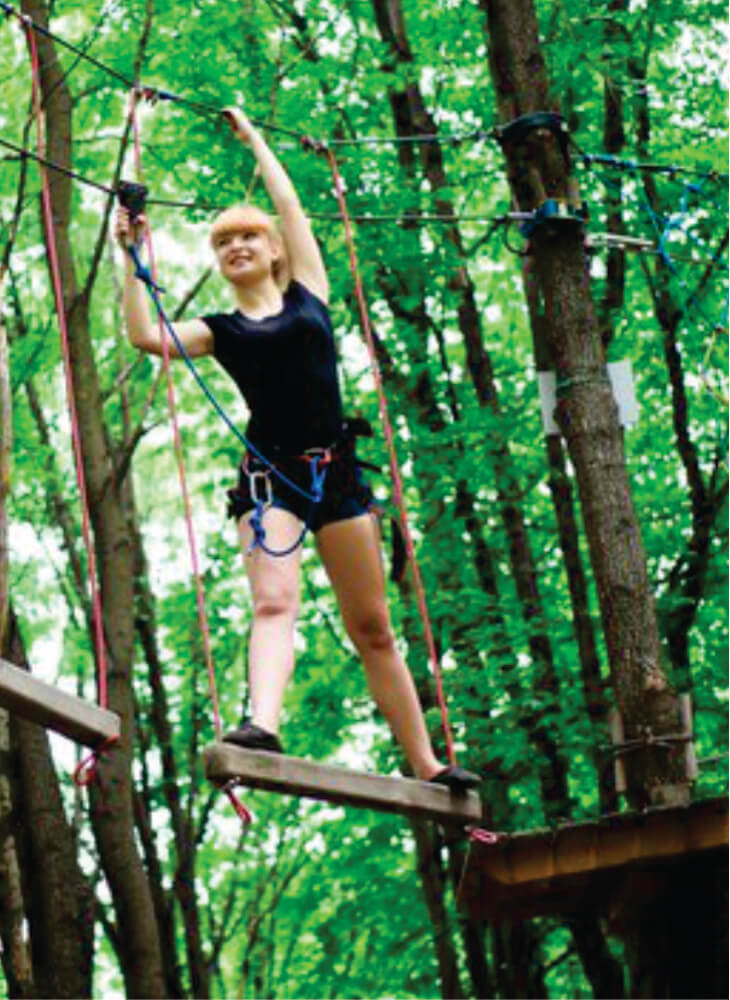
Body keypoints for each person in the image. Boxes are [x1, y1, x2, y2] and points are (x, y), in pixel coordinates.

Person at [114, 107, 478, 791]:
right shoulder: (219, 329)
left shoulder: (309, 293)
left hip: (335, 473)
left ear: (275, 249)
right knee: (274, 602)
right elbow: (146, 335)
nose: (237, 248)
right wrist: (128, 254)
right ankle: (264, 725)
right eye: (224, 245)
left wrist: (254, 138)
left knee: (372, 626)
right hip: (270, 476)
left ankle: (427, 762)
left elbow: (289, 205)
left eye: (249, 237)